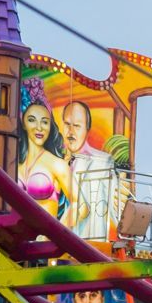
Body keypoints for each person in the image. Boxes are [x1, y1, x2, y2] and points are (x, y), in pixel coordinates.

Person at [19, 78, 78, 227]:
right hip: (16, 242)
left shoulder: (56, 164)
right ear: (23, 123)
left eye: (45, 122)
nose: (39, 127)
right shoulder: (13, 161)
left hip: (45, 240)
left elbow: (81, 204)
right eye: (32, 120)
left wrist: (59, 232)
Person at [62, 101, 116, 239]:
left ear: (87, 129)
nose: (71, 131)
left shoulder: (103, 162)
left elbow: (115, 207)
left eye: (77, 126)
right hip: (52, 249)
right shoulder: (55, 159)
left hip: (87, 246)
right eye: (67, 124)